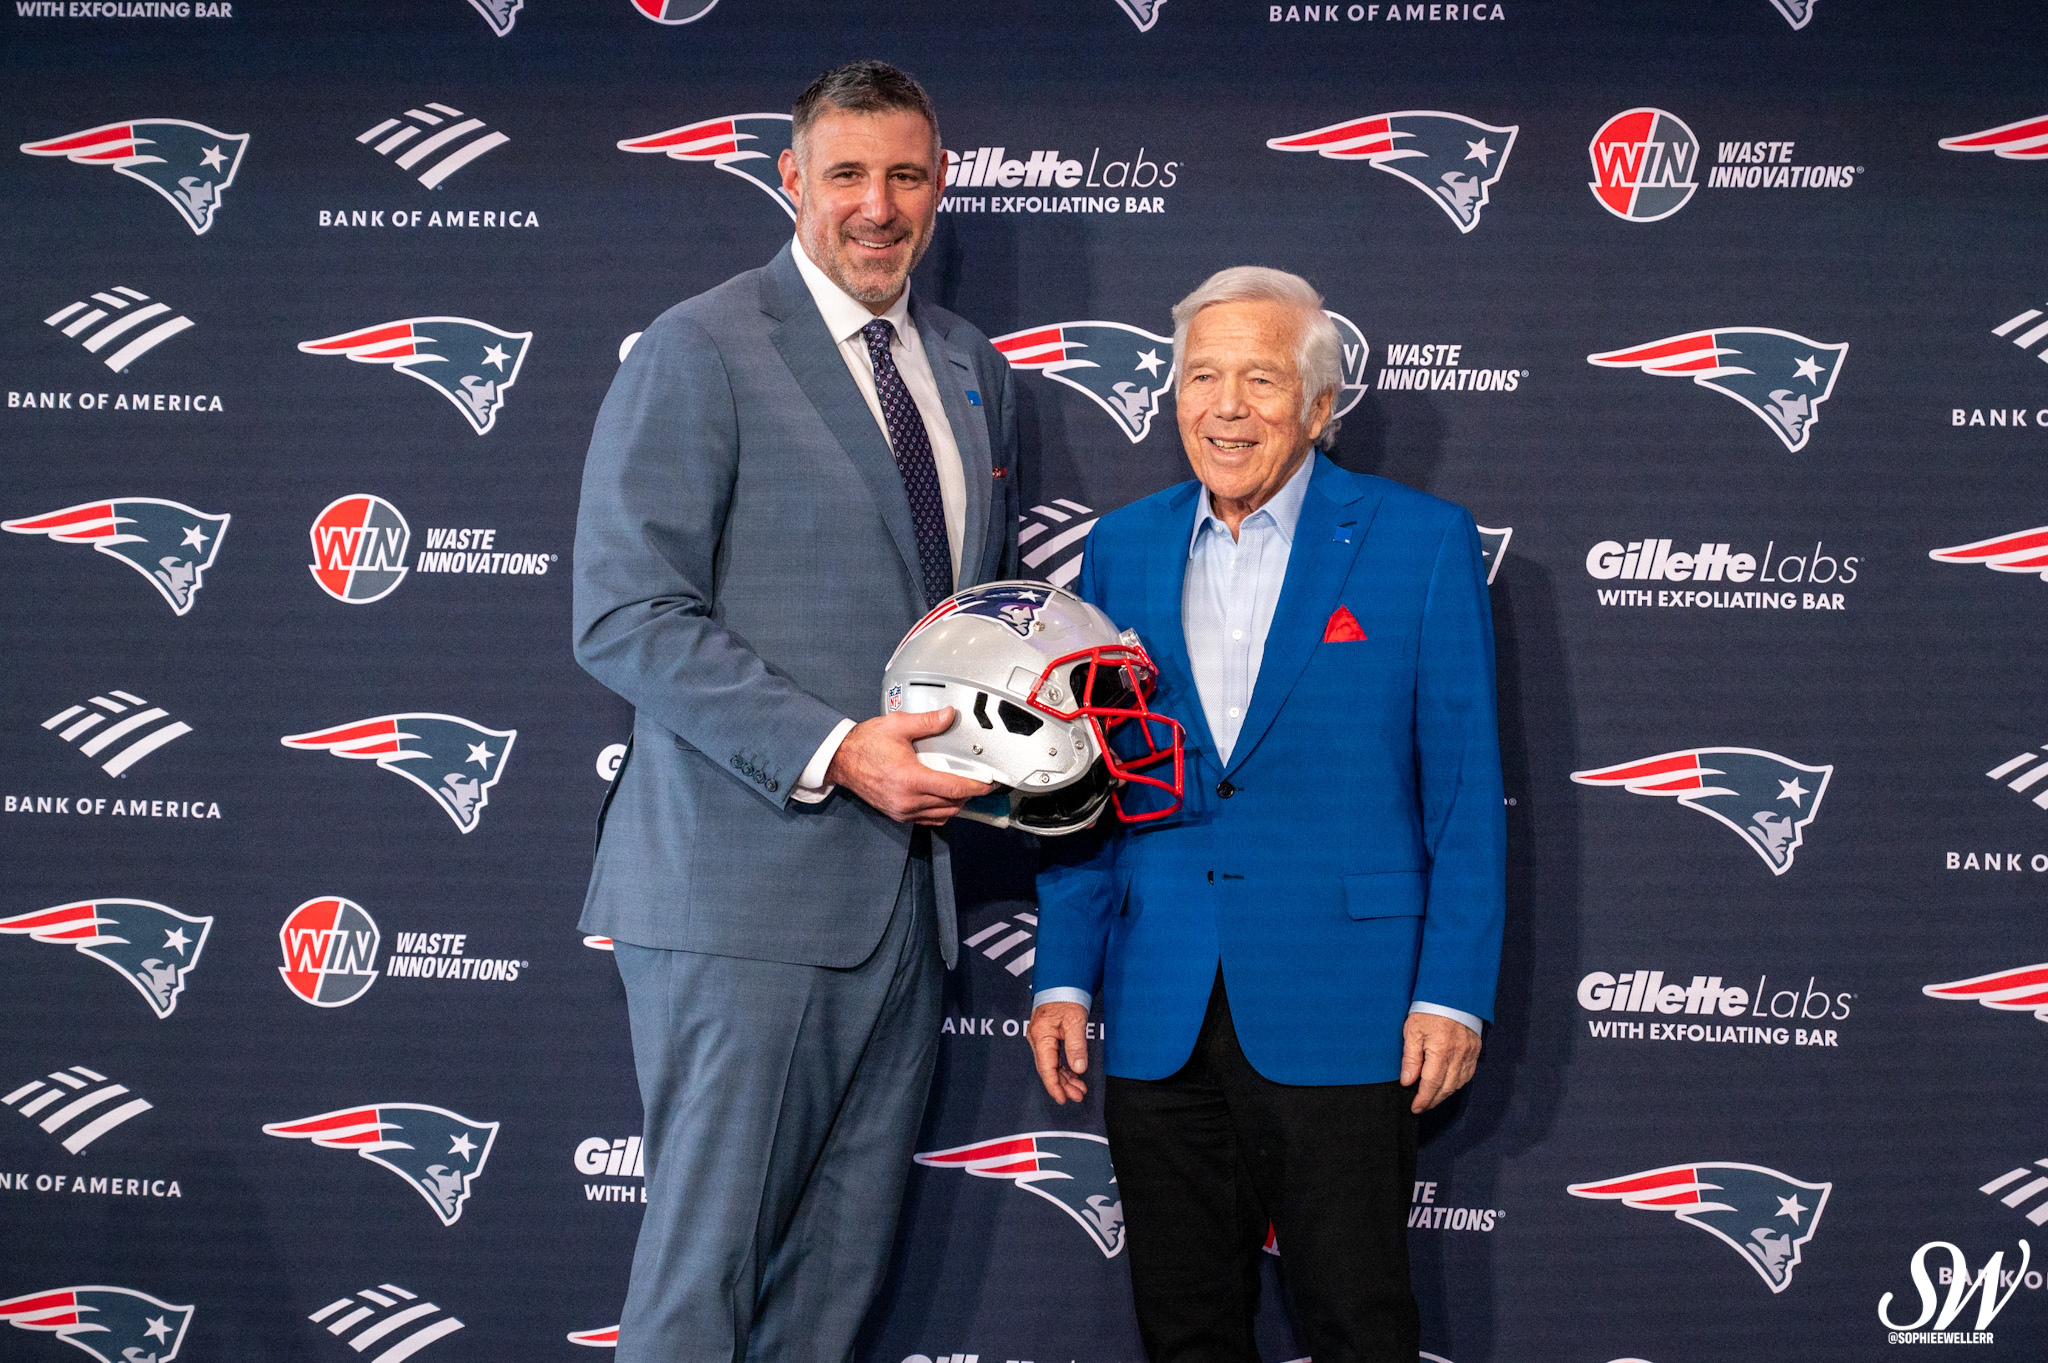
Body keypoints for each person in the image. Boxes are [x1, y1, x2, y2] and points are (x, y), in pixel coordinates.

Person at [571, 61, 1020, 1363]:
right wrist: (836, 751)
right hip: (741, 894)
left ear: (940, 189)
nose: (876, 206)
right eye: (847, 174)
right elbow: (624, 612)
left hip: (908, 905)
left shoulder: (972, 367)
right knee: (702, 1285)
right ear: (791, 182)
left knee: (831, 1292)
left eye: (907, 175)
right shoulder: (700, 347)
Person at [1027, 266, 1504, 1363]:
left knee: (1357, 1324)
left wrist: (1450, 993)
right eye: (1200, 376)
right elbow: (1084, 782)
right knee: (1183, 1329)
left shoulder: (1417, 539)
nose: (1225, 406)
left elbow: (1468, 792)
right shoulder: (1121, 546)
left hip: (1348, 1001)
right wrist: (1064, 971)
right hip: (1159, 1004)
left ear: (1320, 406)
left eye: (1259, 378)